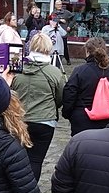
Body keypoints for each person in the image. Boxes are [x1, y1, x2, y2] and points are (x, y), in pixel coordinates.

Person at [9, 33, 67, 180]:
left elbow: (10, 92)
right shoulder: (54, 73)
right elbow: (61, 97)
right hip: (44, 121)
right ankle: (31, 187)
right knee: (36, 160)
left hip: (19, 120)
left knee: (17, 159)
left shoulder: (17, 68)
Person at [62, 37, 109, 136]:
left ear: (87, 51)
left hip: (82, 120)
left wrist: (68, 114)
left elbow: (69, 94)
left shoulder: (80, 71)